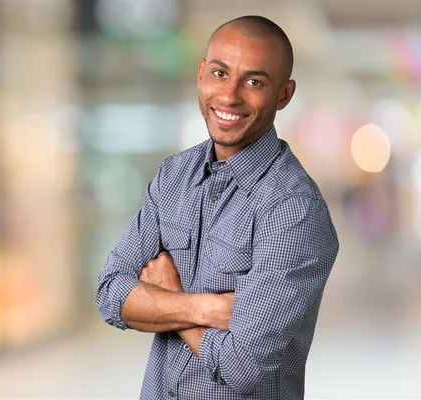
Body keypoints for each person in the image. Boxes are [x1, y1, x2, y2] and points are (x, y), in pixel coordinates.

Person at [95, 15, 339, 399]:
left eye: (254, 82)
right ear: (200, 74)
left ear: (284, 95)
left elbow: (242, 368)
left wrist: (167, 297)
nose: (229, 96)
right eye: (220, 73)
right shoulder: (173, 176)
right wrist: (207, 308)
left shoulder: (293, 211)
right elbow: (110, 294)